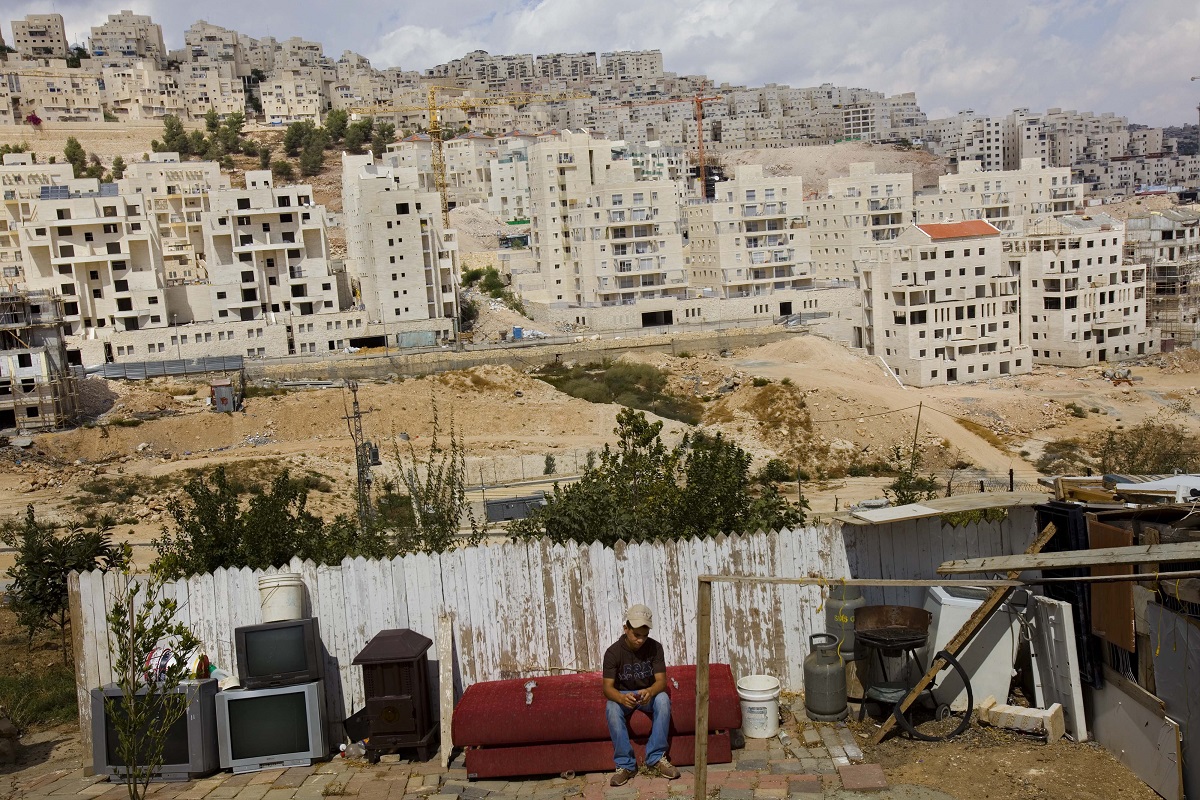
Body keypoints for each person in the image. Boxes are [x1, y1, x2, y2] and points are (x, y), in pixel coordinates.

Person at [602, 603, 681, 786]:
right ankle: (626, 765)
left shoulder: (655, 648)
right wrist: (621, 698)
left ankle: (656, 758)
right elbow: (607, 688)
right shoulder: (613, 653)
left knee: (662, 699)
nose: (640, 640)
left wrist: (650, 691)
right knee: (611, 706)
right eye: (636, 635)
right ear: (626, 628)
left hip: (647, 694)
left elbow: (661, 682)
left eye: (645, 636)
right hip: (623, 695)